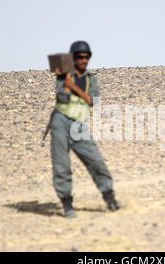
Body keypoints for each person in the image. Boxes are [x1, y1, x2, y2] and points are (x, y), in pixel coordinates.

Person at [48, 41, 119, 218]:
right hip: (60, 122)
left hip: (79, 125)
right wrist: (66, 83)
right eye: (79, 57)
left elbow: (93, 101)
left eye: (86, 57)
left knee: (96, 161)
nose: (83, 60)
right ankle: (67, 204)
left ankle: (109, 198)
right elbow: (62, 98)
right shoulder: (64, 76)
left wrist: (74, 88)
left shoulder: (90, 79)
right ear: (73, 58)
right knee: (62, 165)